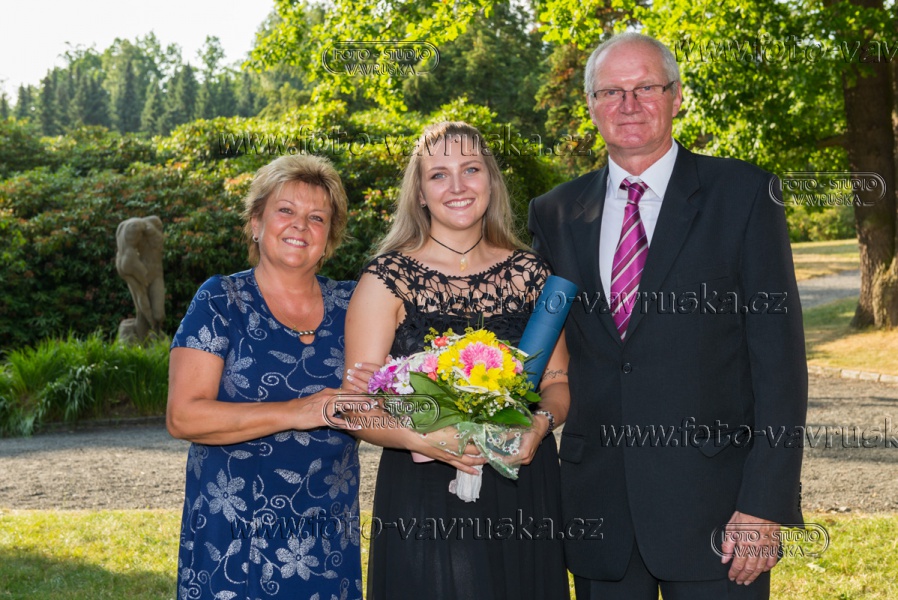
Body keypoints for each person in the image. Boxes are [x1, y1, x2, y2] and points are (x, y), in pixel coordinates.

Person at [528, 32, 807, 599]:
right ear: (591, 105)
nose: (628, 105)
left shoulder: (745, 195)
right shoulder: (554, 213)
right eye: (611, 91)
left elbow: (780, 364)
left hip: (718, 514)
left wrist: (763, 504)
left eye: (646, 88)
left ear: (676, 96)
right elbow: (542, 348)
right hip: (598, 511)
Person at [343, 121, 571, 600]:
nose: (458, 186)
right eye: (438, 174)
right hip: (425, 488)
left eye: (470, 169)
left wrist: (540, 425)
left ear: (491, 179)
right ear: (420, 193)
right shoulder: (386, 279)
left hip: (521, 481)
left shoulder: (532, 274)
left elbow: (556, 381)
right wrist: (424, 435)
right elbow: (356, 406)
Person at [167, 154, 374, 600]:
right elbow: (183, 417)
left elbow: (381, 400)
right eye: (286, 210)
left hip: (325, 539)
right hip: (233, 536)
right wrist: (299, 411)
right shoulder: (221, 300)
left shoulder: (355, 304)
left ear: (330, 237)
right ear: (255, 223)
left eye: (317, 217)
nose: (300, 225)